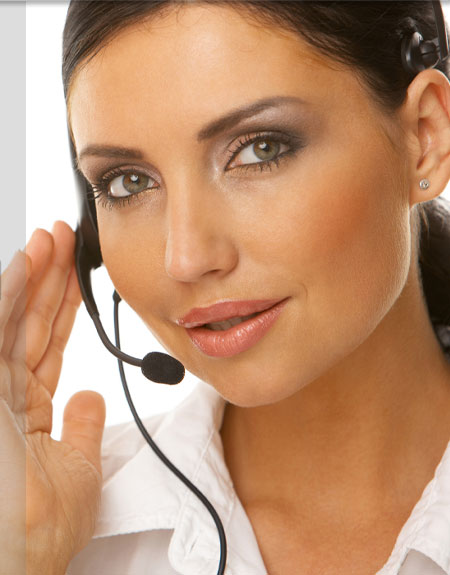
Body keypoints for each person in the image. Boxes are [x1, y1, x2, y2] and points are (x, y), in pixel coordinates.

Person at [2, 1, 450, 573]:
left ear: (424, 137)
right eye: (128, 182)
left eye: (260, 149)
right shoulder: (55, 532)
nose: (185, 259)